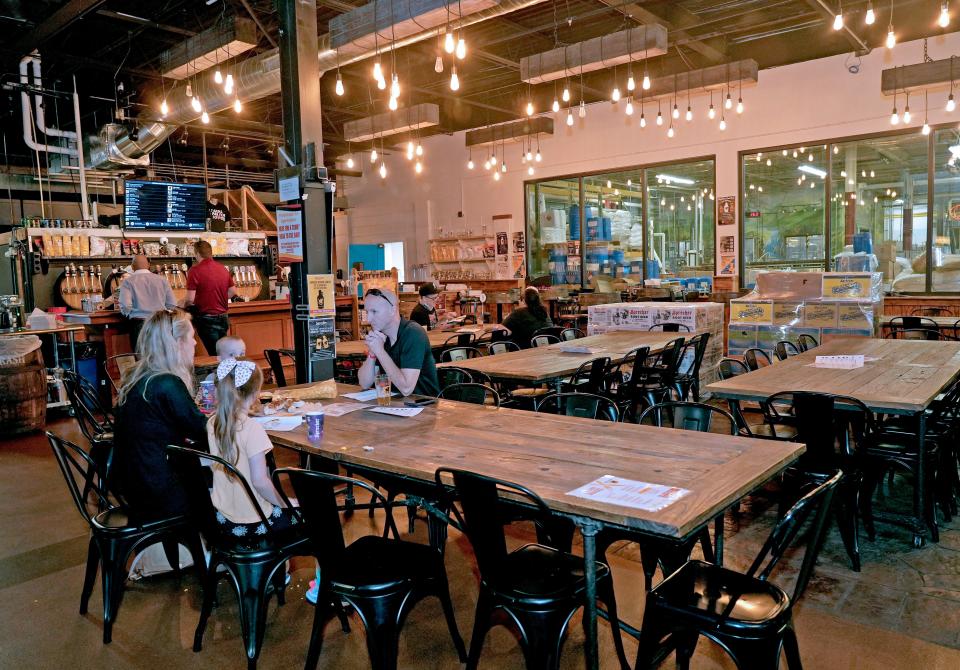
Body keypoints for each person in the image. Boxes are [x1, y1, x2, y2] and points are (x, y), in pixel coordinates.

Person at [113, 310, 208, 522]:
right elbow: (203, 431)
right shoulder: (166, 383)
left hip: (133, 482)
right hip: (159, 489)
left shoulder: (137, 377)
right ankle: (227, 541)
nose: (194, 343)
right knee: (226, 477)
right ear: (176, 343)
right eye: (191, 337)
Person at [208, 359, 298, 539]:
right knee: (308, 516)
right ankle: (284, 565)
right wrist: (286, 502)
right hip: (256, 520)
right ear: (256, 393)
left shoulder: (213, 423)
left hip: (221, 517)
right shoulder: (252, 428)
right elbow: (259, 482)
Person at [357, 288, 439, 396]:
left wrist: (380, 351)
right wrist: (372, 354)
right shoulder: (381, 336)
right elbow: (364, 383)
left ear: (392, 310)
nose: (368, 319)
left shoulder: (413, 333)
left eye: (374, 311)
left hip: (424, 406)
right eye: (367, 312)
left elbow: (406, 389)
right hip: (395, 405)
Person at [185, 240, 236, 355]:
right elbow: (232, 291)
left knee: (215, 355)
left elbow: (189, 300)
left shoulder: (195, 270)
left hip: (206, 318)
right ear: (211, 253)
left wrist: (182, 304)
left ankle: (220, 372)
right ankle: (225, 372)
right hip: (223, 317)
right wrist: (218, 298)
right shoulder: (222, 268)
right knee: (223, 352)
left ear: (197, 254)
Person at [118, 255, 177, 349]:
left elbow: (125, 305)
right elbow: (172, 304)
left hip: (139, 324)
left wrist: (130, 314)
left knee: (141, 356)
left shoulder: (128, 282)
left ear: (132, 267)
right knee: (161, 354)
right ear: (149, 265)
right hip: (160, 322)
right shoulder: (162, 280)